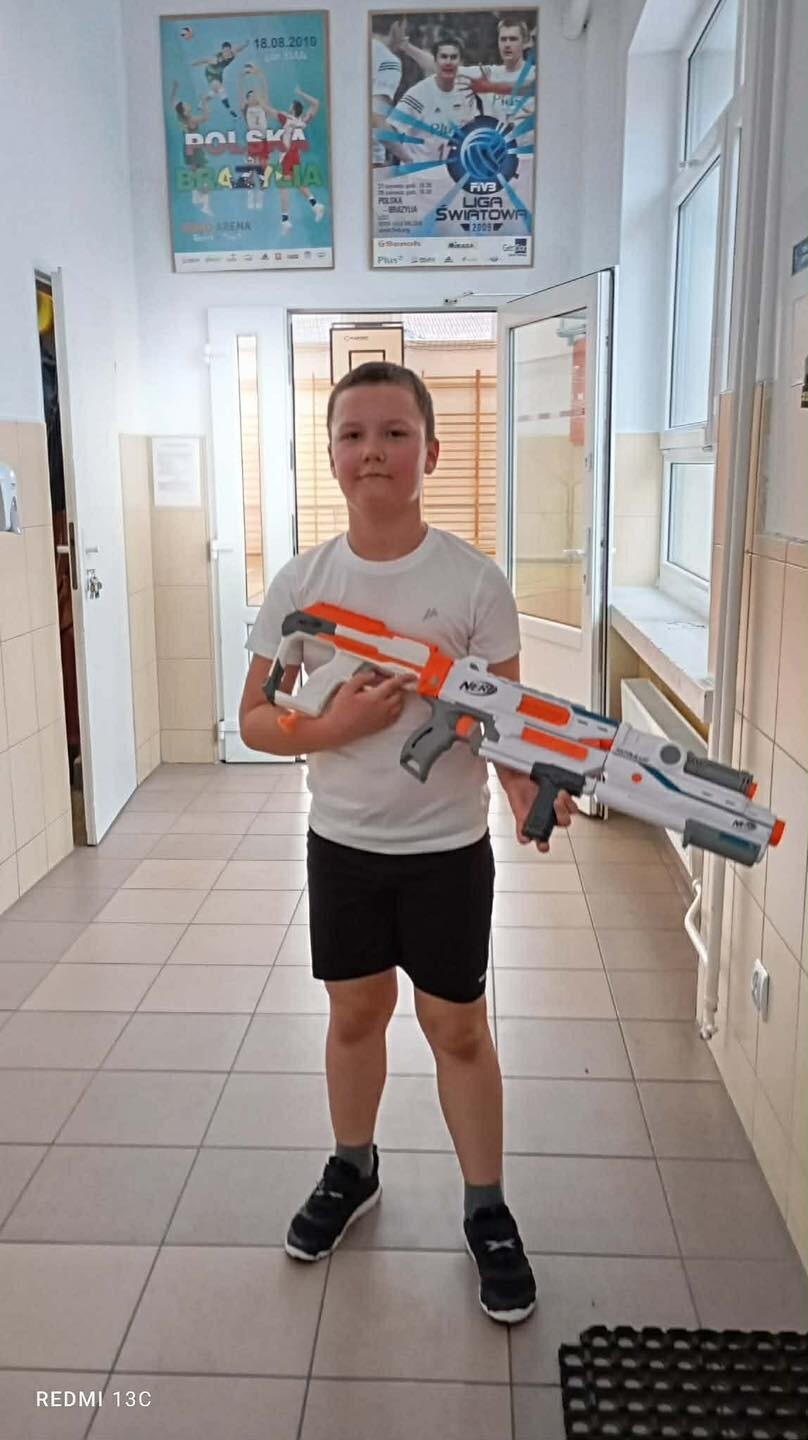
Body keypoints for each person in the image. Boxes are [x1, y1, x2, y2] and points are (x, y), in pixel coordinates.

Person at [239, 362, 577, 1325]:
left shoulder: (474, 581)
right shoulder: (303, 584)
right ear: (331, 456)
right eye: (353, 434)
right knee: (355, 1017)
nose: (374, 451)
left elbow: (504, 722)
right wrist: (330, 727)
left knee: (457, 1028)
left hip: (446, 850)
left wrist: (522, 786)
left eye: (395, 433)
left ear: (431, 453)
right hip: (342, 844)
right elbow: (255, 719)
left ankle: (487, 1208)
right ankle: (354, 1167)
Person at [393, 33, 482, 164]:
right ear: (435, 61)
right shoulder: (418, 94)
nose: (448, 62)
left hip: (449, 171)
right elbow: (391, 129)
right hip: (419, 172)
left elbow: (472, 129)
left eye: (453, 57)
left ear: (461, 62)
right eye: (443, 57)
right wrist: (408, 159)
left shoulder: (465, 92)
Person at [261, 86, 326, 232]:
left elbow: (267, 109)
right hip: (295, 155)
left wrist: (259, 98)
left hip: (286, 156)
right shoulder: (303, 121)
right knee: (297, 183)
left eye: (289, 107)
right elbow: (316, 103)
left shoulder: (287, 120)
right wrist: (300, 93)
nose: (287, 108)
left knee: (283, 188)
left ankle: (285, 222)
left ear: (293, 110)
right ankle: (316, 205)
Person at [170, 82, 213, 216]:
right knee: (205, 175)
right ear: (185, 111)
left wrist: (175, 89)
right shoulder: (191, 121)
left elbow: (173, 102)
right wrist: (204, 102)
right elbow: (206, 117)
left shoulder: (180, 118)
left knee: (194, 172)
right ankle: (205, 205)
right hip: (196, 150)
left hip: (188, 150)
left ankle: (196, 196)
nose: (188, 105)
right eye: (186, 105)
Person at [191, 39, 248, 117]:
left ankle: (202, 102)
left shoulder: (232, 54)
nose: (226, 53)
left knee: (214, 92)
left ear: (230, 50)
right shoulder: (216, 59)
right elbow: (204, 60)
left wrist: (245, 44)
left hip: (219, 74)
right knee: (220, 88)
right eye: (225, 51)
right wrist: (193, 64)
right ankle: (230, 110)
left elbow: (239, 49)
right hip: (210, 74)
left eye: (228, 51)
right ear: (222, 51)